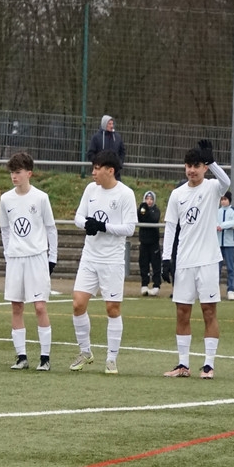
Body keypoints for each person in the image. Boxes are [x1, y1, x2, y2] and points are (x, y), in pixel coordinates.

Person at [160, 140, 230, 380]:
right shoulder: (177, 194)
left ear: (204, 168)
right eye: (189, 166)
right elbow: (171, 227)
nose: (192, 170)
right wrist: (166, 258)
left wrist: (213, 161)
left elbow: (227, 182)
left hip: (208, 261)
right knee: (182, 312)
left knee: (209, 311)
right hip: (184, 262)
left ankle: (209, 365)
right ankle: (183, 364)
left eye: (197, 166)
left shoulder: (212, 188)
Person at [69, 149, 137, 374]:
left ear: (110, 170)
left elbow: (129, 228)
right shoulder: (91, 190)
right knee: (78, 304)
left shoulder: (125, 194)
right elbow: (78, 217)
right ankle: (85, 352)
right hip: (90, 257)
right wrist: (87, 224)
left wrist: (103, 226)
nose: (93, 172)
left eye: (97, 168)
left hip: (112, 260)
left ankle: (111, 359)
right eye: (93, 168)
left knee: (112, 308)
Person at [0, 151, 57, 372]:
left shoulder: (41, 198)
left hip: (37, 257)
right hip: (15, 259)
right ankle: (21, 357)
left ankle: (45, 357)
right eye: (12, 172)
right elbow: (5, 229)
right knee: (16, 306)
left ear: (29, 173)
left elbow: (51, 229)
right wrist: (8, 254)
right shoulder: (6, 199)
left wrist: (52, 258)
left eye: (18, 172)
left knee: (40, 307)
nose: (14, 176)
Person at [87, 115, 127, 181]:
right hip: (100, 172)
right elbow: (90, 153)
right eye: (109, 124)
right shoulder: (96, 137)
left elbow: (122, 152)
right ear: (104, 124)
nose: (111, 126)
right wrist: (98, 164)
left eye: (112, 124)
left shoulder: (117, 137)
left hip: (115, 173)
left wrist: (119, 163)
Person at [218, 191, 234, 300]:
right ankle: (215, 290)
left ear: (229, 200)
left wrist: (222, 226)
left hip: (229, 244)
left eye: (225, 199)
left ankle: (231, 290)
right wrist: (216, 225)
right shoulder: (216, 211)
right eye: (222, 199)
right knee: (216, 268)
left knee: (230, 268)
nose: (223, 201)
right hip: (218, 243)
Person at [137, 190, 162, 296]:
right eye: (147, 199)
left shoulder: (156, 210)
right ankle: (144, 285)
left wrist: (146, 211)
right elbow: (141, 217)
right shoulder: (142, 208)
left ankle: (156, 285)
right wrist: (143, 209)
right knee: (143, 264)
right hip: (144, 242)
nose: (149, 201)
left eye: (151, 199)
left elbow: (153, 219)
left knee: (156, 264)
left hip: (154, 242)